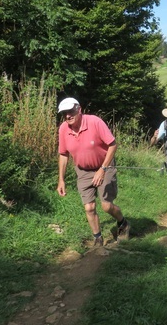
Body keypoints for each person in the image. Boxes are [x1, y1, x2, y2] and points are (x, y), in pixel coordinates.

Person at [56, 97, 130, 248]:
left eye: (70, 111)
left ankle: (123, 224)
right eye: (64, 113)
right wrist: (61, 180)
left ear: (79, 109)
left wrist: (102, 169)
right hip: (83, 171)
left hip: (105, 166)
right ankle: (98, 239)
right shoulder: (63, 129)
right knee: (89, 207)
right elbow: (63, 154)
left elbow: (112, 145)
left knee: (106, 206)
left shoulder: (95, 122)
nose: (67, 116)